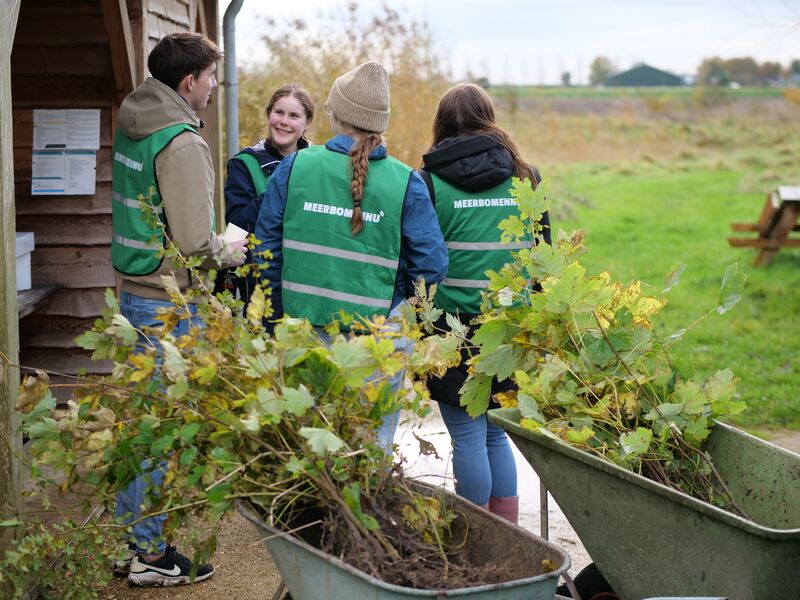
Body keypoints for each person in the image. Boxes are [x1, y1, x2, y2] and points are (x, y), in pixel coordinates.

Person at [110, 32, 247, 587]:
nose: (215, 87)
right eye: (211, 78)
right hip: (166, 302)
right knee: (161, 428)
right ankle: (150, 554)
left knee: (137, 423)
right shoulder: (182, 141)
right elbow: (193, 242)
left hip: (131, 289)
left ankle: (130, 540)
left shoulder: (133, 120)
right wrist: (230, 249)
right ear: (189, 82)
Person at [253, 61, 448, 448]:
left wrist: (277, 312)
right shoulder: (405, 181)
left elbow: (265, 250)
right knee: (370, 453)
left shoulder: (295, 166)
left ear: (336, 115)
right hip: (377, 338)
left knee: (309, 451)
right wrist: (392, 299)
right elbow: (432, 265)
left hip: (301, 332)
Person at [419, 83, 551, 524]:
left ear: (441, 124)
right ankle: (506, 534)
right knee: (496, 435)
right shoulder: (526, 177)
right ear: (488, 118)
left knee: (467, 437)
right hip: (511, 327)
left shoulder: (428, 182)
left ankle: (477, 537)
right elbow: (544, 256)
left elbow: (420, 256)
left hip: (449, 329)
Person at [220, 85, 315, 303]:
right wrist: (280, 187)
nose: (284, 121)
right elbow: (237, 224)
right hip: (260, 283)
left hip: (307, 279)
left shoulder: (319, 165)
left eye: (294, 116)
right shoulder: (245, 163)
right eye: (279, 112)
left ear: (307, 122)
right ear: (268, 114)